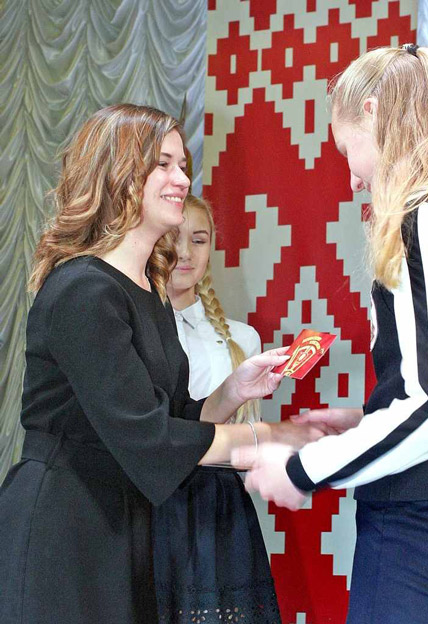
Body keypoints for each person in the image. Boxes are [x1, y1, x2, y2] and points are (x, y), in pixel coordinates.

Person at [239, 45, 428, 623]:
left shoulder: (423, 218)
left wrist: (302, 469)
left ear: (375, 113)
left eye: (346, 150)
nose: (353, 180)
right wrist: (371, 417)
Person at [0, 103, 325, 624]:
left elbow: (172, 419)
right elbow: (150, 439)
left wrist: (232, 392)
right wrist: (267, 438)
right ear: (119, 176)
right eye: (164, 165)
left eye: (184, 166)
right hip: (65, 528)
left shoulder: (148, 291)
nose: (182, 179)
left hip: (125, 523)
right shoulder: (83, 290)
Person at [152, 194, 281, 622]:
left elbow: (248, 445)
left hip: (220, 510)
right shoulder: (134, 329)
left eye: (199, 239)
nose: (186, 253)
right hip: (153, 503)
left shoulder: (242, 339)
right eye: (173, 238)